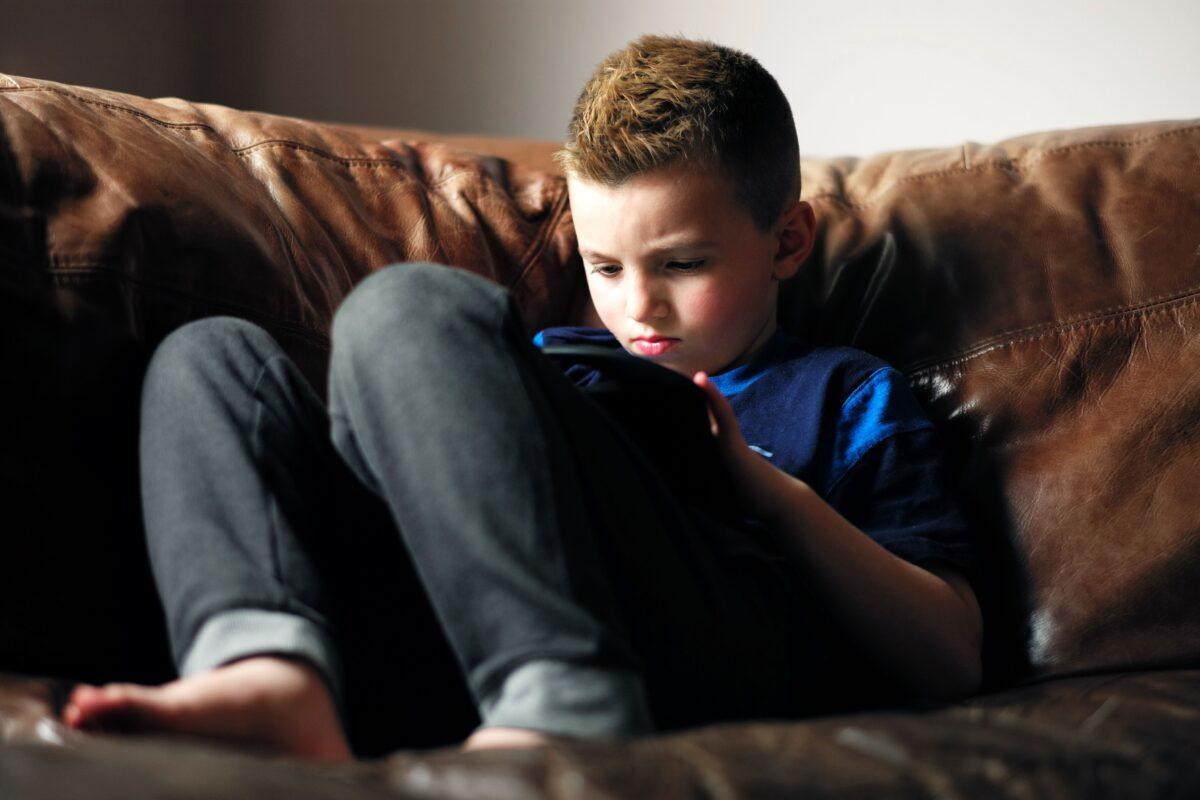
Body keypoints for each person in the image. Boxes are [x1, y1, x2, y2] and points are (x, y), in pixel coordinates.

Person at [60, 34, 983, 762]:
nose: (639, 306)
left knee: (405, 308)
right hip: (456, 629)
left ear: (787, 242)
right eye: (605, 266)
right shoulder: (546, 359)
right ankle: (268, 667)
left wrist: (764, 488)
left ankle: (568, 691)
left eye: (684, 265)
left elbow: (951, 654)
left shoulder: (846, 393)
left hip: (702, 629)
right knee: (211, 358)